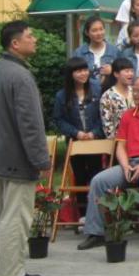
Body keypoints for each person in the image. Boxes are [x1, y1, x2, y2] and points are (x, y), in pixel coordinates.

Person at [0, 21, 51, 276]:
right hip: (17, 158)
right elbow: (30, 124)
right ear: (15, 43)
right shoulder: (20, 76)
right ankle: (11, 272)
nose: (35, 39)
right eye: (30, 36)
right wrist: (41, 159)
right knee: (15, 215)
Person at [78, 76, 139, 253]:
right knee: (99, 181)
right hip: (130, 163)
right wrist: (125, 166)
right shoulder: (128, 115)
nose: (134, 94)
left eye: (138, 91)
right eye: (134, 90)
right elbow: (120, 146)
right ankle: (95, 233)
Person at [53, 58, 104, 215]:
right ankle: (82, 214)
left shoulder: (97, 89)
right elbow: (59, 120)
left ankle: (98, 212)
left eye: (85, 70)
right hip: (75, 142)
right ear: (71, 74)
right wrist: (76, 133)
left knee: (97, 175)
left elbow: (104, 115)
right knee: (79, 176)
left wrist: (95, 132)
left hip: (96, 142)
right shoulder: (62, 96)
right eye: (78, 71)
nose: (83, 74)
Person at [72, 15, 120, 93]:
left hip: (110, 94)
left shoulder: (115, 51)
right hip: (86, 93)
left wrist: (113, 70)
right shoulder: (79, 53)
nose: (99, 33)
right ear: (87, 32)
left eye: (101, 29)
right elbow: (73, 75)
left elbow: (123, 73)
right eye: (94, 30)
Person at [100, 57, 135, 139]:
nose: (130, 74)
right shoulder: (107, 96)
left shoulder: (135, 92)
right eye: (127, 71)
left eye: (132, 71)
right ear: (116, 74)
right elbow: (107, 124)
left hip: (138, 139)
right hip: (118, 140)